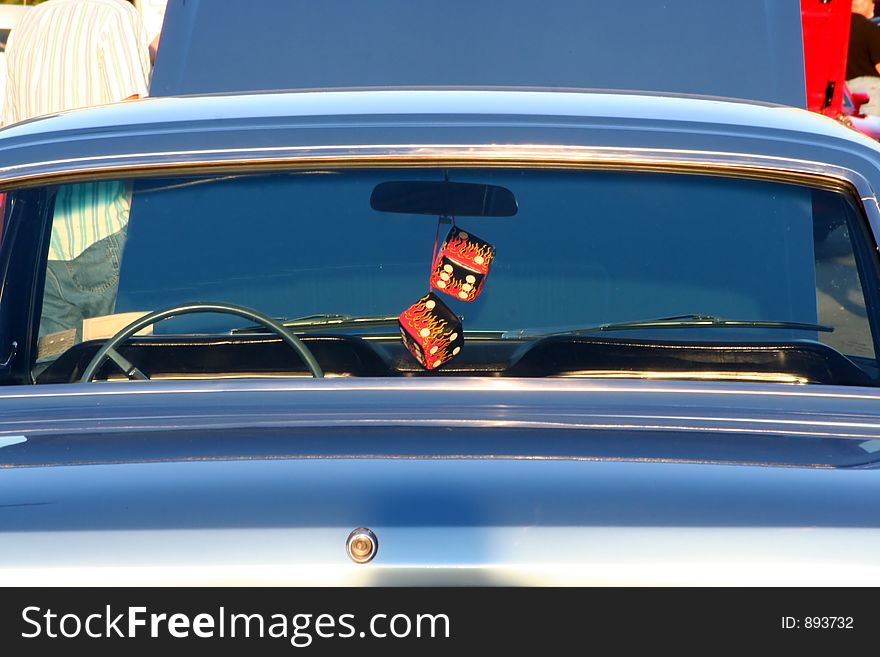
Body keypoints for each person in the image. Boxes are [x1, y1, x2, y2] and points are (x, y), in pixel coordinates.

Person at [0, 0, 151, 352]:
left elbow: (10, 127)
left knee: (53, 376)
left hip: (40, 244)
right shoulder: (116, 15)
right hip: (105, 229)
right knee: (120, 367)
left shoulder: (28, 23)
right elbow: (134, 125)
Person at [847, 0, 880, 115]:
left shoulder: (837, 28)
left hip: (842, 93)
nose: (873, 5)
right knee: (870, 129)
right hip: (869, 91)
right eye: (872, 2)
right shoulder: (871, 29)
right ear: (865, 3)